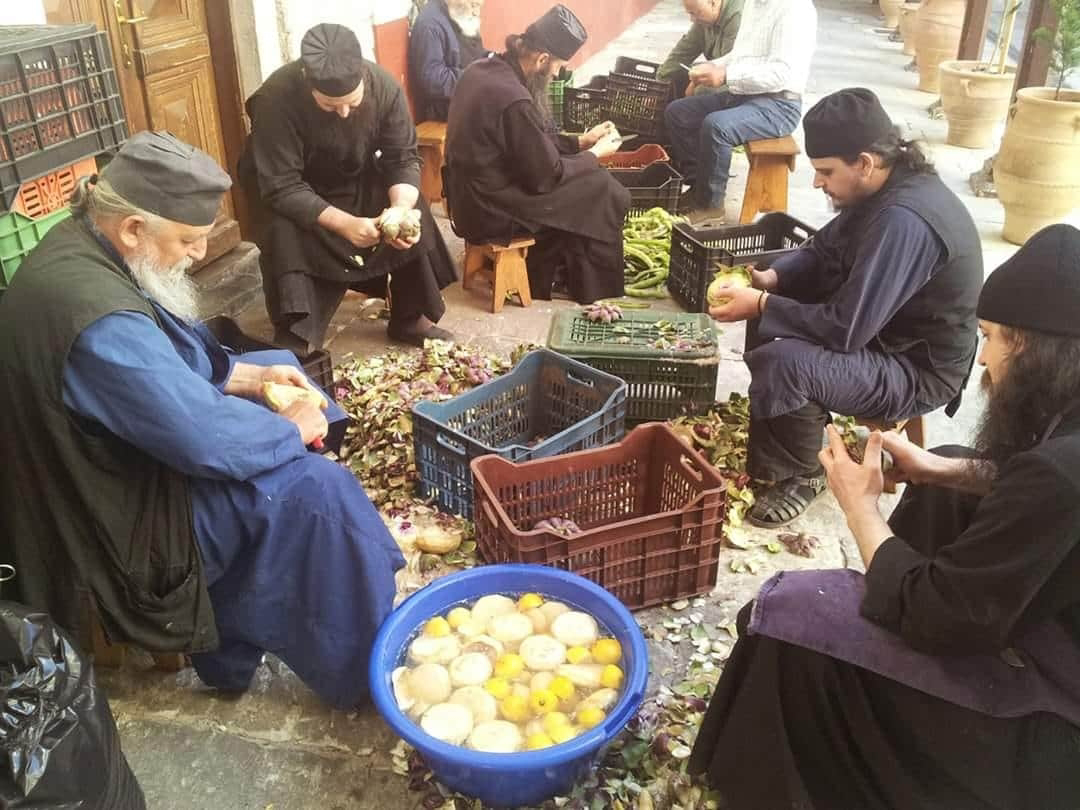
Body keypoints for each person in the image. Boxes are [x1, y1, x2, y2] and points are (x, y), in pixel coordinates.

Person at [0, 132, 406, 710]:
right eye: (188, 239)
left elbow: (166, 368)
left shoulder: (89, 242)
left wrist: (246, 380)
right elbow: (201, 438)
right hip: (108, 517)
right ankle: (361, 662)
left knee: (280, 368)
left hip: (116, 458)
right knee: (316, 491)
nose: (198, 253)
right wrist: (289, 428)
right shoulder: (95, 317)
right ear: (135, 229)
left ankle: (332, 565)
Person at [688, 223, 1080, 810]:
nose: (985, 365)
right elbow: (1040, 499)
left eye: (991, 338)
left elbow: (937, 612)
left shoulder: (1059, 471)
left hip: (1055, 724)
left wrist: (859, 506)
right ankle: (891, 630)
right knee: (951, 465)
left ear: (1030, 347)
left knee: (787, 613)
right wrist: (936, 470)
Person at [709, 89, 983, 527]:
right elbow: (822, 248)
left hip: (914, 368)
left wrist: (763, 303)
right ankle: (786, 428)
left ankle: (805, 473)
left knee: (783, 360)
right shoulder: (882, 187)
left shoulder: (904, 220)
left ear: (865, 163)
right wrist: (771, 281)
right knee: (773, 306)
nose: (817, 182)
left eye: (825, 171)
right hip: (885, 332)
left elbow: (846, 329)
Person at [240, 23, 458, 353]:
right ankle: (299, 332)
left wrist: (399, 209)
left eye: (352, 104)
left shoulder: (384, 87)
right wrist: (346, 225)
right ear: (306, 81)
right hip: (290, 189)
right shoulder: (276, 99)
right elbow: (282, 185)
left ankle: (409, 317)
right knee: (282, 230)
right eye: (329, 105)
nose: (343, 113)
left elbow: (402, 157)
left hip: (351, 175)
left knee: (413, 208)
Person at [445, 4, 632, 303]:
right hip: (489, 209)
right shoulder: (514, 98)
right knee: (603, 188)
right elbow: (546, 176)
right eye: (558, 66)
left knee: (589, 176)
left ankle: (567, 270)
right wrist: (596, 154)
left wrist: (581, 142)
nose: (557, 75)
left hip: (467, 197)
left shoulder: (483, 68)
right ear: (542, 58)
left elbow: (528, 144)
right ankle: (590, 284)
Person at [663, 0, 816, 222]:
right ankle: (699, 189)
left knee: (717, 126)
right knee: (678, 113)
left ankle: (711, 206)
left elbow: (781, 74)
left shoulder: (795, 9)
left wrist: (726, 75)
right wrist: (712, 67)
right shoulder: (754, 3)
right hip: (745, 94)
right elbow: (741, 54)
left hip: (780, 105)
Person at [409, 0, 490, 122]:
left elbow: (475, 53)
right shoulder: (429, 25)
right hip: (447, 109)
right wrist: (475, 77)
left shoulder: (460, 14)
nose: (476, 12)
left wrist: (491, 59)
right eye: (474, 5)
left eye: (479, 6)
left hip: (471, 96)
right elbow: (433, 80)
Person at [656, 0, 744, 100]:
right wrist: (659, 82)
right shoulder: (703, 20)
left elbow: (726, 66)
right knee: (678, 75)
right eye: (690, 13)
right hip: (718, 72)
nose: (692, 19)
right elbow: (682, 53)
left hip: (738, 83)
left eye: (695, 13)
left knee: (702, 91)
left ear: (713, 3)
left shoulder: (737, 18)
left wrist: (694, 84)